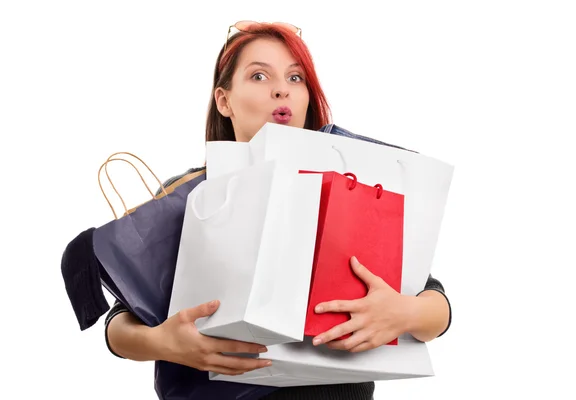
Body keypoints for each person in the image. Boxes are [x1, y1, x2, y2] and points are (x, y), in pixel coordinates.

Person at [63, 21, 452, 400]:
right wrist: (162, 342)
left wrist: (405, 314)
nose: (282, 90)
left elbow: (435, 302)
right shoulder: (193, 197)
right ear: (224, 100)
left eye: (296, 78)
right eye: (260, 77)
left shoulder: (349, 182)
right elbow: (122, 320)